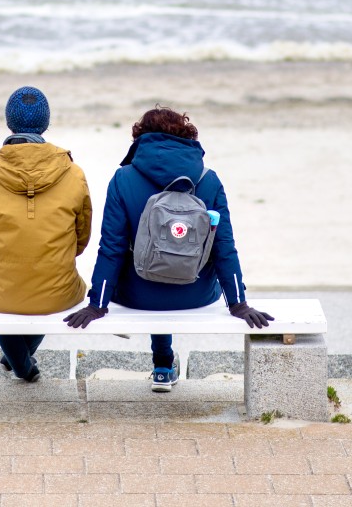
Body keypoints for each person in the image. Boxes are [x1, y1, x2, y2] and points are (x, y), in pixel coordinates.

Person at [64, 106, 272, 392]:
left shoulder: (123, 179)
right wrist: (238, 303)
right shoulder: (208, 179)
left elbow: (110, 248)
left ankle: (162, 362)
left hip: (138, 294)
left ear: (140, 139)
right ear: (185, 136)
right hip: (196, 292)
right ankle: (164, 364)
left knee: (141, 256)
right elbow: (224, 247)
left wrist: (97, 304)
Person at [0, 86, 92, 382]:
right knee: (49, 285)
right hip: (57, 290)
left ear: (10, 122)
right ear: (45, 123)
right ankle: (20, 363)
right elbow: (81, 237)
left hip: (0, 289)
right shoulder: (73, 173)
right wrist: (53, 255)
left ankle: (20, 363)